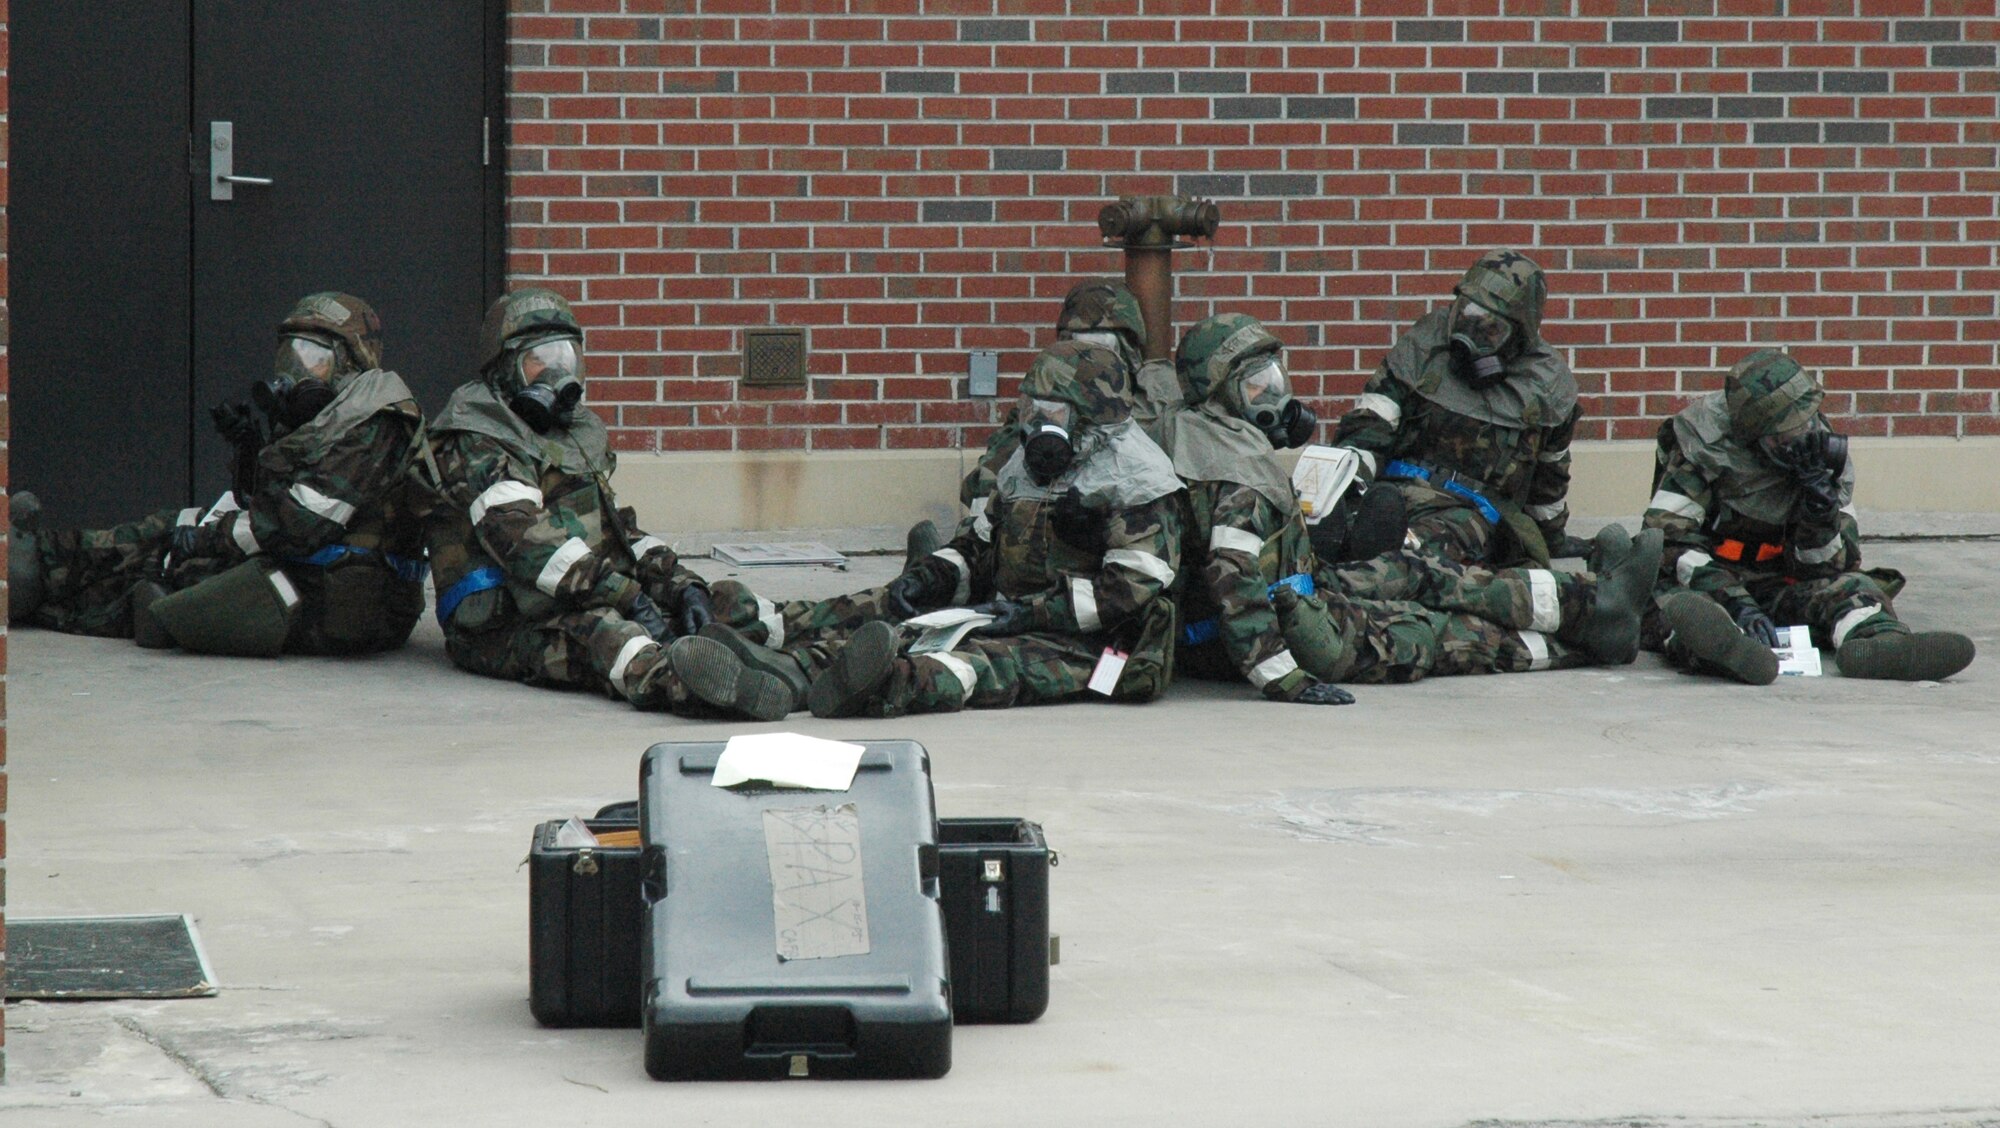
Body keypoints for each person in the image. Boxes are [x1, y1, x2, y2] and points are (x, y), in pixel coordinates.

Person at [1159, 313, 1659, 695]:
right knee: (1439, 632)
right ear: (1218, 390)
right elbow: (1232, 573)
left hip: (1290, 594)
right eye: (1256, 386)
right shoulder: (1233, 470)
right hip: (1269, 628)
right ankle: (1594, 633)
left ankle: (1597, 599)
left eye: (1275, 379)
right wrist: (1281, 677)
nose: (1275, 396)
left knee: (1417, 570)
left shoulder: (1192, 430)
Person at [709, 340, 1186, 719]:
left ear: (1091, 419)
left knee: (981, 660)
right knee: (897, 605)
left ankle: (876, 685)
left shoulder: (1140, 479)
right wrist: (936, 572)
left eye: (1054, 415)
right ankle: (770, 642)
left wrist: (1027, 614)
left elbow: (1127, 593)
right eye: (1031, 411)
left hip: (1096, 642)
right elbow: (981, 542)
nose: (1038, 426)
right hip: (1008, 608)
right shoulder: (1026, 462)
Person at [410, 288, 791, 720]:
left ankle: (830, 646)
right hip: (502, 623)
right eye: (540, 359)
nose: (557, 371)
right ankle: (720, 690)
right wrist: (630, 596)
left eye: (567, 357)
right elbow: (532, 549)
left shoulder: (561, 434)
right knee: (610, 635)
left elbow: (616, 535)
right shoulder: (477, 436)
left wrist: (679, 584)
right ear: (504, 370)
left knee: (726, 604)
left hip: (575, 593)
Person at [9, 292, 428, 656]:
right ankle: (36, 555)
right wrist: (252, 451)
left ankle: (41, 594)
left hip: (350, 604)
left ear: (353, 362)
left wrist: (208, 539)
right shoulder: (332, 415)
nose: (300, 373)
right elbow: (265, 504)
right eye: (292, 356)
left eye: (315, 359)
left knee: (171, 569)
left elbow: (301, 523)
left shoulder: (378, 423)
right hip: (313, 573)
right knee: (165, 528)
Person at [1643, 349, 1974, 684]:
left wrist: (1819, 509)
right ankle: (1730, 651)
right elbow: (1670, 544)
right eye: (1786, 434)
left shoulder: (1823, 458)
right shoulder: (1704, 448)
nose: (1801, 437)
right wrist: (1738, 602)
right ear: (1757, 436)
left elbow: (1831, 567)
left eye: (1805, 422)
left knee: (1856, 589)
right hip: (1711, 581)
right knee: (1680, 612)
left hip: (1779, 583)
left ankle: (1882, 646)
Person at [1327, 249, 1580, 567]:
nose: (1468, 335)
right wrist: (1347, 488)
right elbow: (1369, 425)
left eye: (1489, 329)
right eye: (1465, 315)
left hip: (1468, 510)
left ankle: (1387, 560)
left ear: (1520, 334)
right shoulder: (1425, 346)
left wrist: (1549, 541)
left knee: (1417, 557)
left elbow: (1548, 485)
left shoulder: (1548, 387)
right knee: (1338, 530)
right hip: (1392, 490)